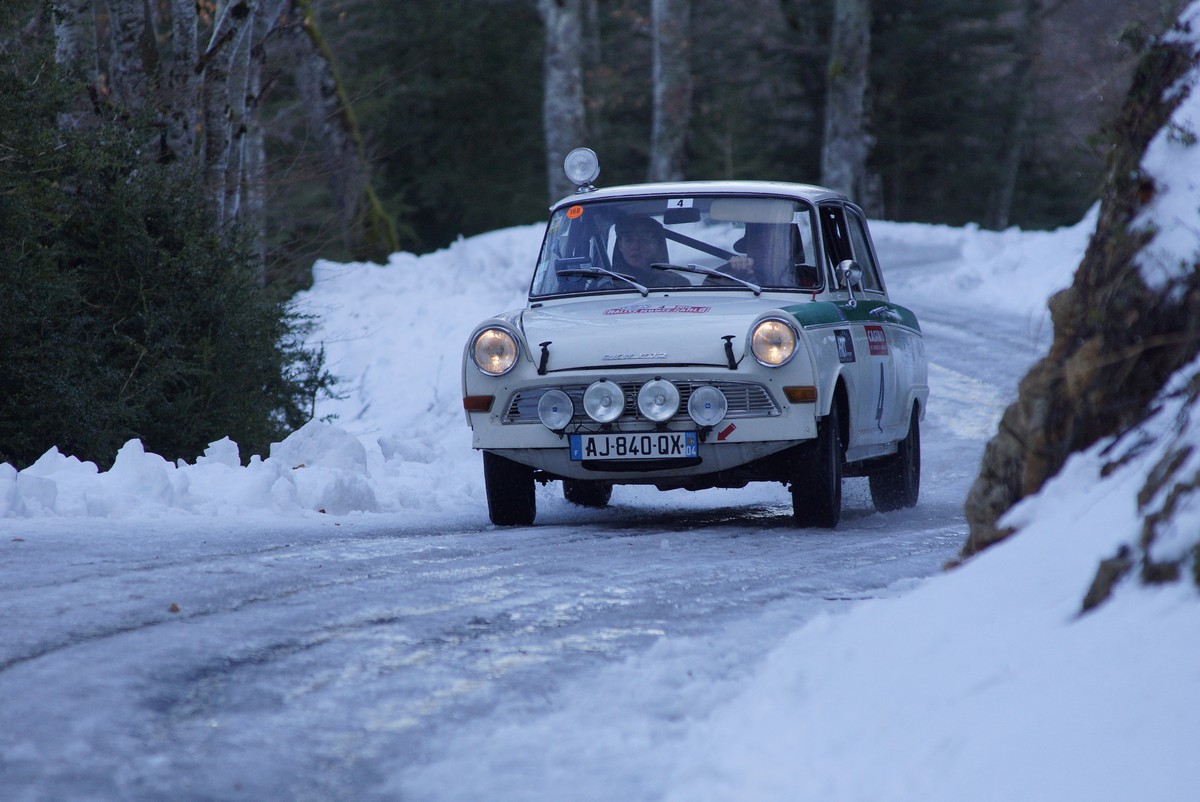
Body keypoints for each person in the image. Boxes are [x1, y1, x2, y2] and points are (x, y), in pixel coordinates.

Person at [611, 215, 674, 286]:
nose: (635, 246)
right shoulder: (608, 284)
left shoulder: (676, 283)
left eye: (643, 240)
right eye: (628, 240)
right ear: (620, 245)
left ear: (656, 246)